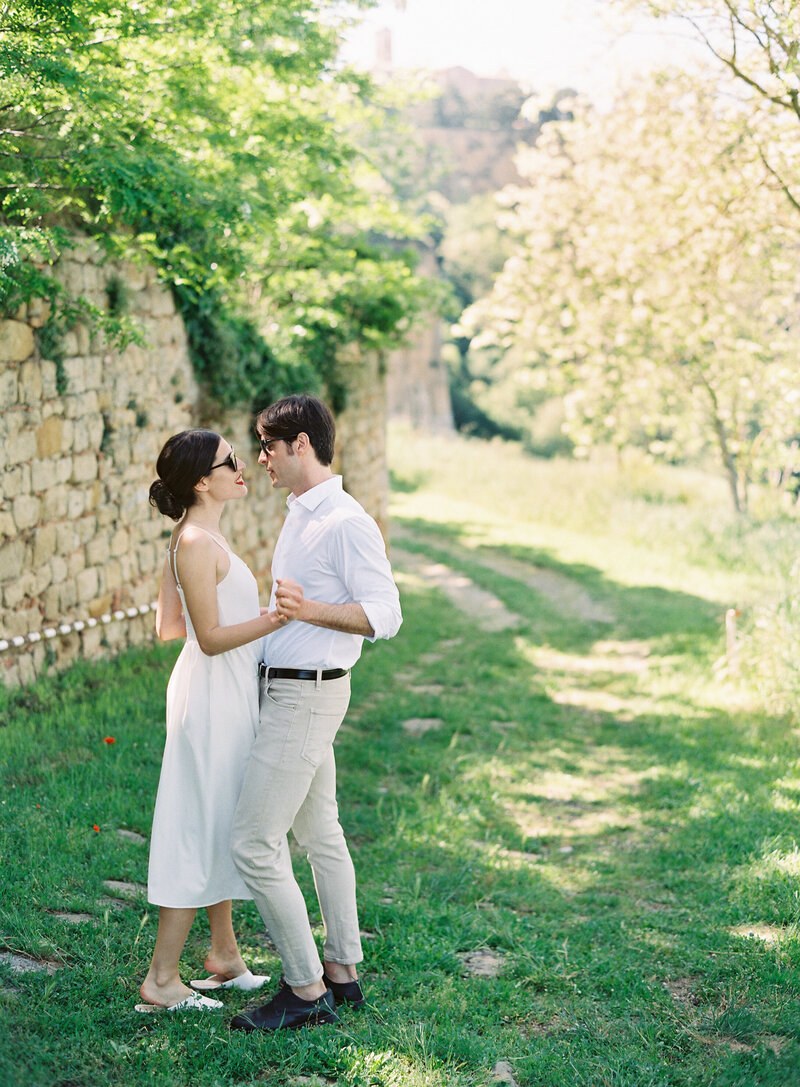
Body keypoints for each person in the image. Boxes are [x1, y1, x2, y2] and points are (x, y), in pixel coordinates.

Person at [229, 395, 402, 1032]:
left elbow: (386, 615)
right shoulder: (301, 513)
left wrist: (308, 613)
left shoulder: (346, 521)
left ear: (301, 443)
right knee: (321, 834)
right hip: (292, 691)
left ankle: (304, 991)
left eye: (268, 446)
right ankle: (343, 973)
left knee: (253, 842)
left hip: (307, 697)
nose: (262, 459)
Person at [136, 429, 289, 1013]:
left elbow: (168, 630)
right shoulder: (197, 541)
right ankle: (162, 980)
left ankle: (224, 956)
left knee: (222, 815)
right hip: (212, 699)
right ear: (204, 481)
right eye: (231, 461)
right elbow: (207, 637)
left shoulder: (193, 538)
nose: (243, 466)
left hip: (216, 692)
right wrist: (274, 619)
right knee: (199, 823)